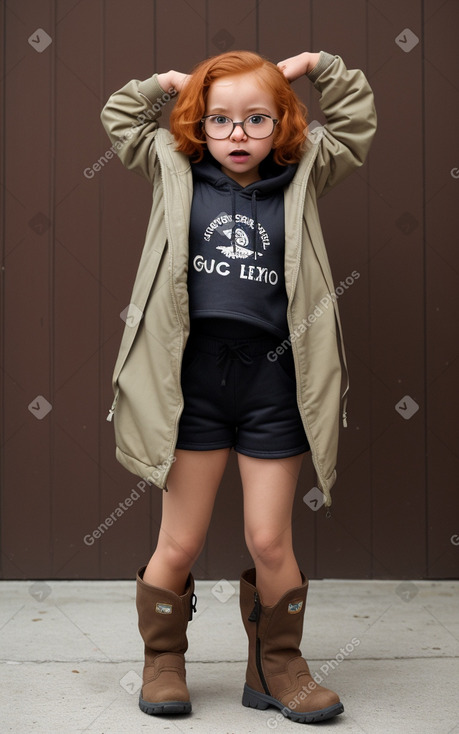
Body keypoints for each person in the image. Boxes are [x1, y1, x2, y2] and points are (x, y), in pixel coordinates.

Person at [101, 48, 376, 724]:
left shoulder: (304, 171)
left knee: (269, 541)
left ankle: (276, 667)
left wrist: (315, 64)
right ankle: (163, 663)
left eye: (256, 119)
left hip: (272, 377)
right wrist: (168, 83)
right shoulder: (173, 167)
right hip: (189, 381)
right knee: (180, 544)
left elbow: (355, 116)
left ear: (281, 122)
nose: (237, 135)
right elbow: (120, 117)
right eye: (219, 120)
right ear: (197, 123)